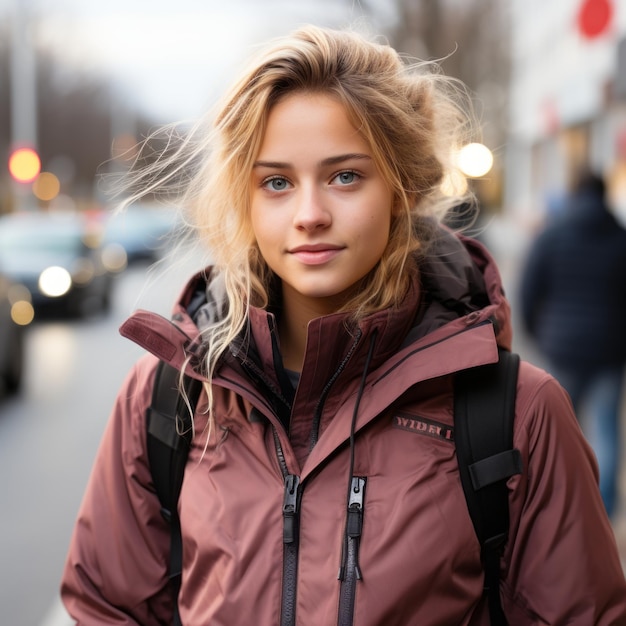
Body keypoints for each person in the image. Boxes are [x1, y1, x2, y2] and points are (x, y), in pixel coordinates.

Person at [60, 25, 626, 625]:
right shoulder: (167, 397)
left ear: (401, 189)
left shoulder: (518, 412)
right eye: (276, 182)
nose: (309, 215)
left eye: (345, 176)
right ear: (244, 200)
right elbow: (108, 604)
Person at [519, 169, 626, 520]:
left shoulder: (552, 234)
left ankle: (567, 513)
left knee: (561, 433)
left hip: (561, 349)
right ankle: (604, 514)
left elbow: (527, 293)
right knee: (606, 430)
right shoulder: (620, 237)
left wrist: (542, 338)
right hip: (610, 350)